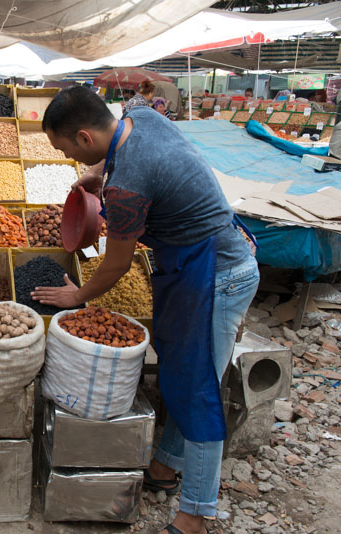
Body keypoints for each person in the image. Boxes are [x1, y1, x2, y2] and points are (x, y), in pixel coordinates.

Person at [33, 86, 259, 534]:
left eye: (67, 150)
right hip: (192, 264)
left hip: (220, 273)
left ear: (83, 136)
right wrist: (102, 179)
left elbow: (116, 262)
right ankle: (166, 465)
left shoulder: (127, 186)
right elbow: (151, 166)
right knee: (181, 369)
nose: (77, 163)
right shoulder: (144, 119)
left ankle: (196, 510)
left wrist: (77, 297)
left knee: (198, 388)